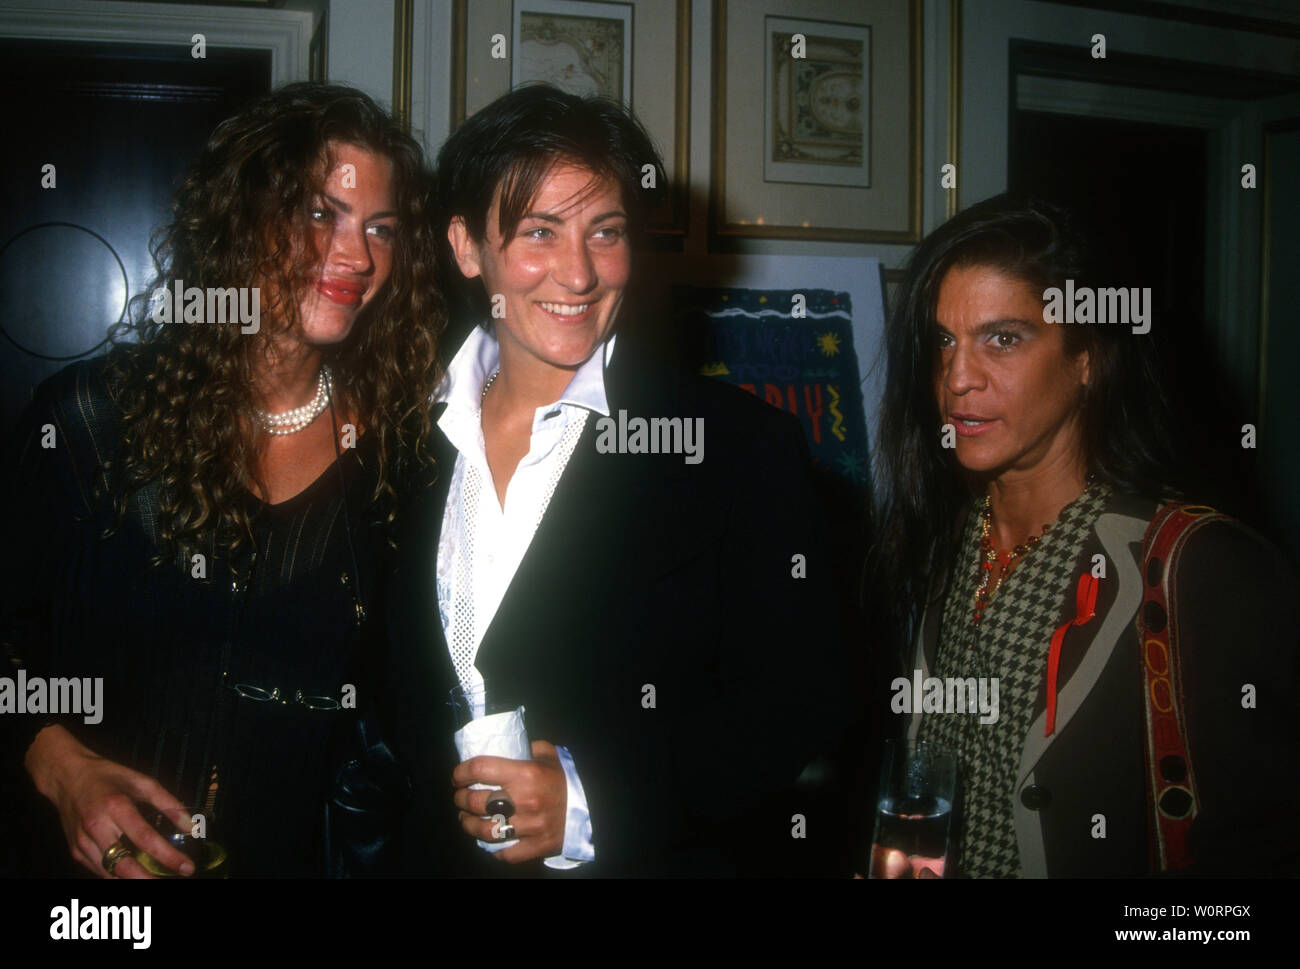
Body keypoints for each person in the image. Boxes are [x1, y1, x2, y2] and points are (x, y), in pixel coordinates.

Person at [382, 84, 841, 876]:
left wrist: (594, 798)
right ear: (466, 245)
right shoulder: (398, 441)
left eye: (607, 232)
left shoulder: (737, 448)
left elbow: (797, 710)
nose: (580, 273)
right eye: (539, 232)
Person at [0, 82, 442, 877]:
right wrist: (62, 767)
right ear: (243, 218)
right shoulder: (92, 420)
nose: (359, 255)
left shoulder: (401, 461)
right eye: (321, 213)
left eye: (381, 228)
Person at [868, 194, 1300, 877]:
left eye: (1002, 338)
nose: (957, 377)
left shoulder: (1199, 567)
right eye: (944, 341)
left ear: (1087, 359)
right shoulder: (944, 545)